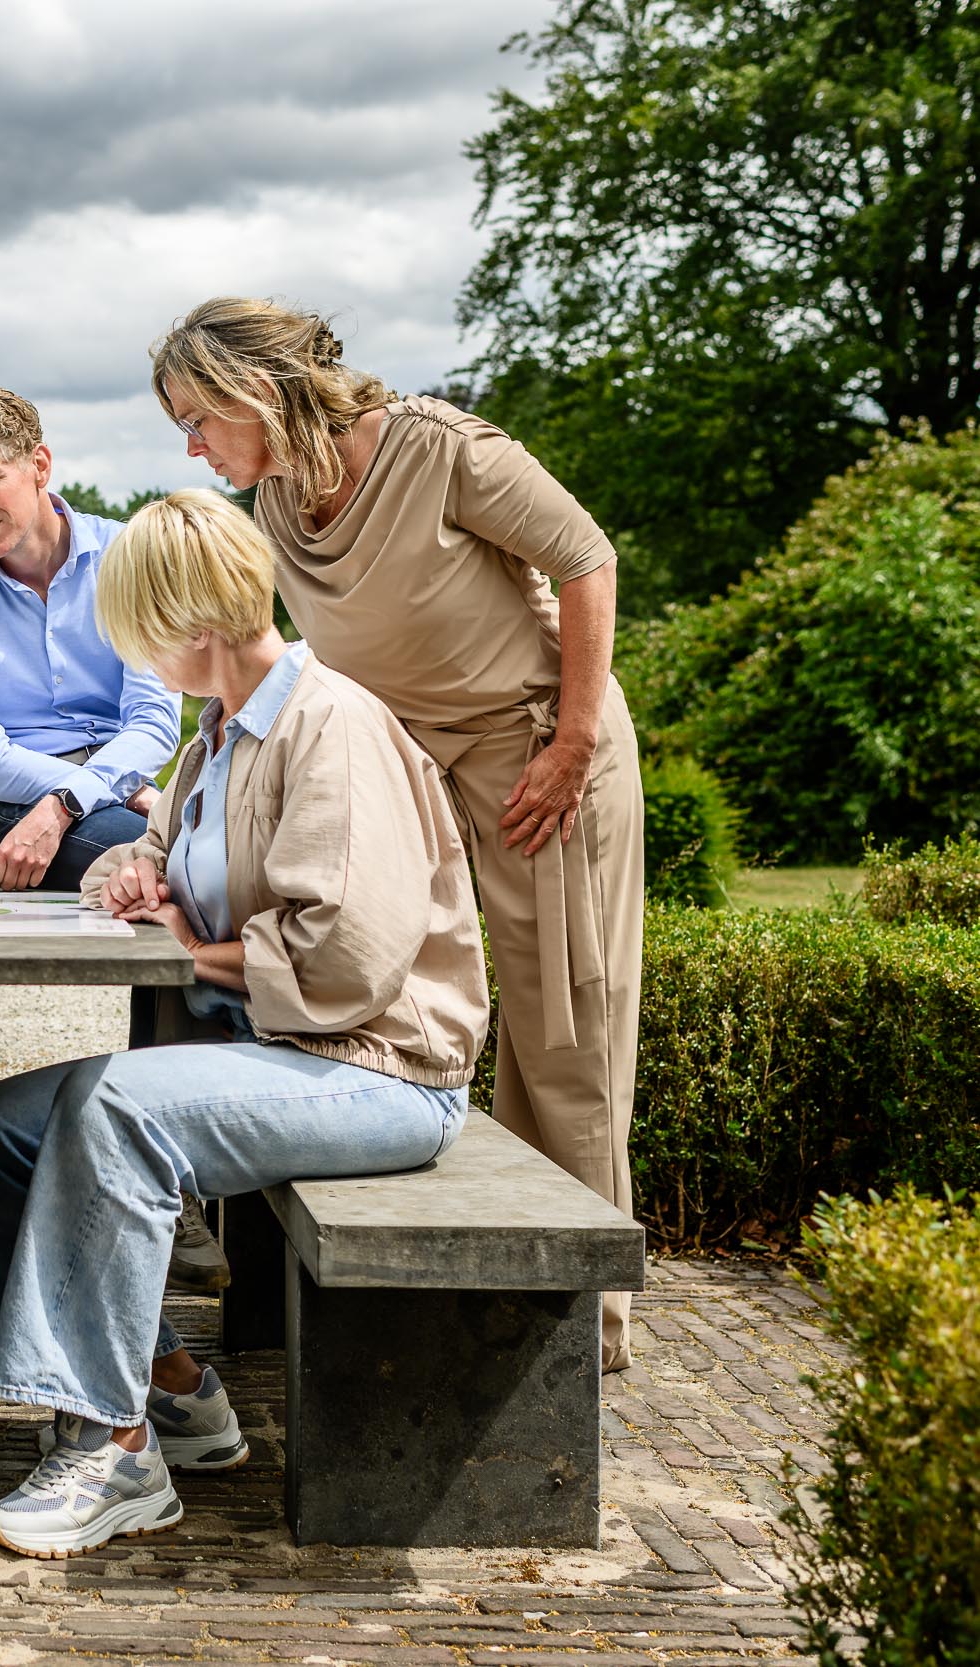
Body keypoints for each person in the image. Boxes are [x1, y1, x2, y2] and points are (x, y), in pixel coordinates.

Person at [0, 490, 488, 1559]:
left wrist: (193, 950)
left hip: (378, 1070)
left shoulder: (330, 727)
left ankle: (114, 1451)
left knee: (115, 1110)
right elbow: (164, 854)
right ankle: (174, 1390)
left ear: (192, 624)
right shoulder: (219, 737)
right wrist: (133, 877)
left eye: (139, 635)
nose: (134, 659)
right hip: (278, 1053)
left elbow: (344, 954)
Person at [153, 299, 644, 1372]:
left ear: (252, 394)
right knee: (400, 997)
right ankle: (467, 1271)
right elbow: (267, 659)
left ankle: (583, 1319)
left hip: (534, 752)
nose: (189, 444)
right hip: (407, 766)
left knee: (563, 1025)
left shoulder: (440, 450)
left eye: (195, 417)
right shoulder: (276, 499)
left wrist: (568, 744)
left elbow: (585, 558)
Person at [0, 384, 224, 1292]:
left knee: (185, 882)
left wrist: (67, 804)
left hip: (106, 795)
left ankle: (173, 1151)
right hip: (7, 812)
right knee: (165, 881)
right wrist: (66, 798)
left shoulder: (126, 552)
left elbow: (154, 715)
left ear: (40, 466)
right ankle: (177, 1174)